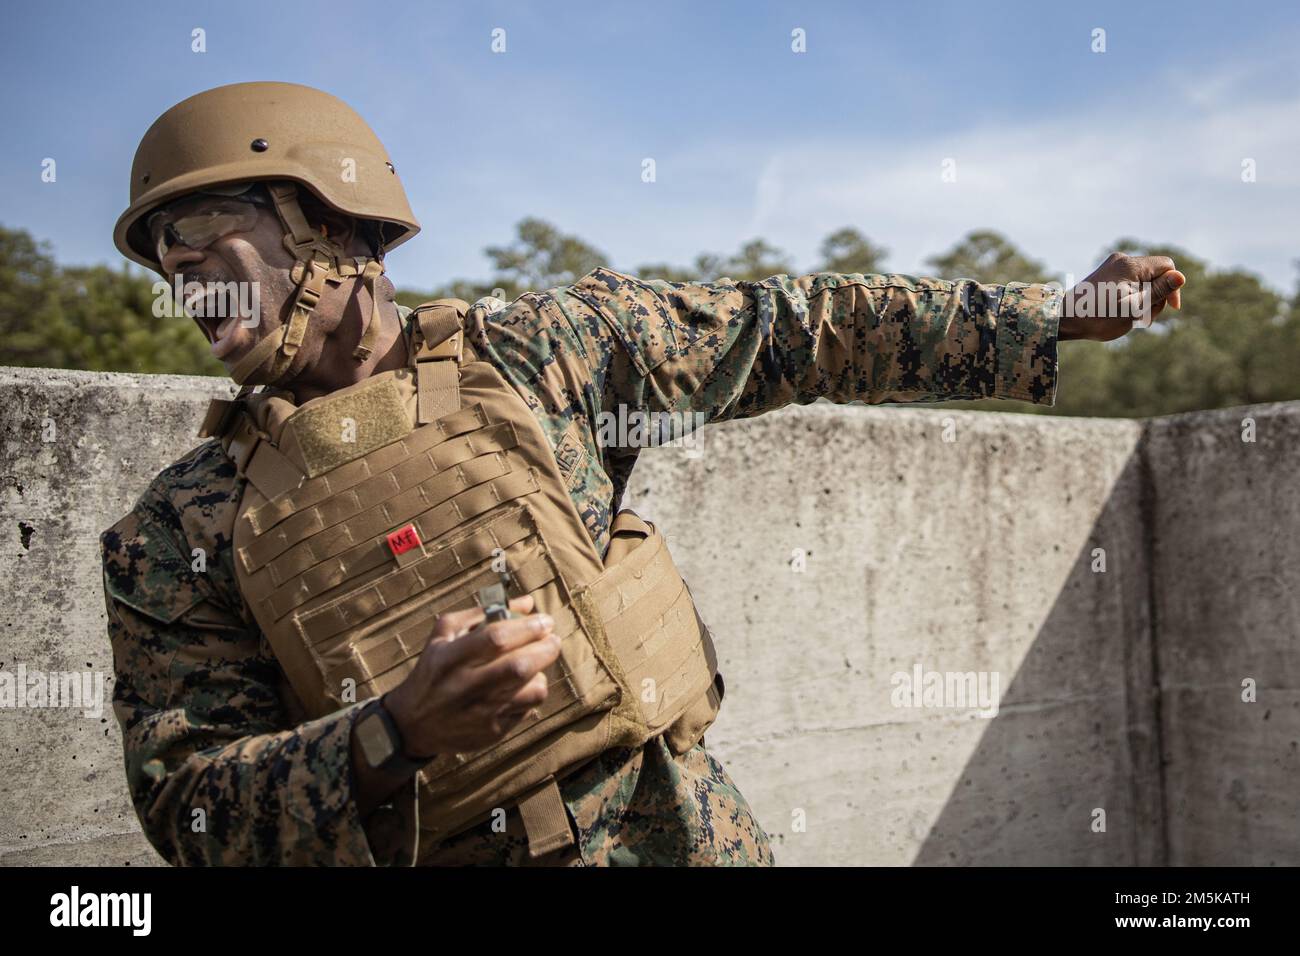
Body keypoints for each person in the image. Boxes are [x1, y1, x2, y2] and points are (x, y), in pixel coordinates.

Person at [102, 81, 1186, 867]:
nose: (178, 265)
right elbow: (189, 806)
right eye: (158, 248)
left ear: (328, 218)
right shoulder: (181, 526)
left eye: (201, 225)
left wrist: (1053, 317)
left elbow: (797, 328)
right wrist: (392, 731)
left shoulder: (542, 356)